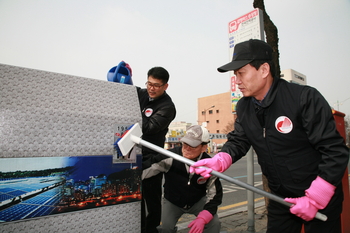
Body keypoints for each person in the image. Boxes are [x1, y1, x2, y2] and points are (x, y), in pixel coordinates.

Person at [190, 39, 349, 233]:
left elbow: (335, 151)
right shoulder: (244, 106)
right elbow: (239, 140)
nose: (237, 80)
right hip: (280, 198)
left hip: (318, 199)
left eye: (241, 73)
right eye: (235, 75)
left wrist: (316, 198)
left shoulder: (303, 98)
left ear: (264, 70)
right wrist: (219, 159)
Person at [142, 125, 222, 233]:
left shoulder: (209, 164)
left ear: (204, 147)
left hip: (197, 201)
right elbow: (146, 170)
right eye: (185, 143)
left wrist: (204, 217)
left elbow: (215, 194)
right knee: (165, 229)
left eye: (192, 145)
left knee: (214, 224)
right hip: (172, 201)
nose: (187, 148)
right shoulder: (169, 156)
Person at [137, 66, 176, 233]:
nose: (151, 88)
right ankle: (139, 228)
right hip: (135, 155)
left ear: (165, 86)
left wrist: (131, 114)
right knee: (136, 199)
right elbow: (126, 92)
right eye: (149, 83)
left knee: (152, 201)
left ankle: (152, 230)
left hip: (153, 159)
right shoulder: (142, 94)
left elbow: (149, 128)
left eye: (156, 85)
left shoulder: (167, 107)